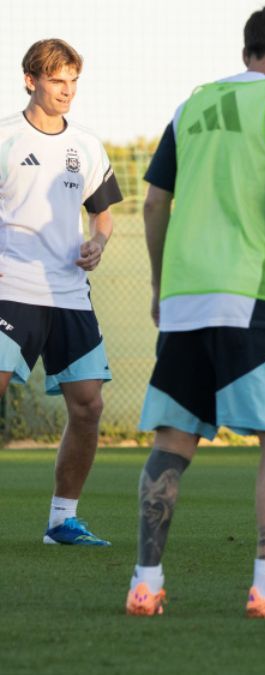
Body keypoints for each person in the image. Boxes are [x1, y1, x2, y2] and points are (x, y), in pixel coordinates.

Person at [125, 3, 265, 618]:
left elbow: (154, 204)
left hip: (187, 296)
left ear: (247, 52)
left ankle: (145, 583)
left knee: (172, 440)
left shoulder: (188, 107)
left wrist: (164, 285)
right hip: (253, 292)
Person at [0, 39, 123, 546]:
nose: (66, 91)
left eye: (73, 81)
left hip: (69, 294)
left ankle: (61, 521)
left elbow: (104, 213)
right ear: (31, 80)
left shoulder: (87, 146)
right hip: (11, 288)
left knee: (88, 406)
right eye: (57, 81)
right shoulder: (5, 138)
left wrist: (97, 241)